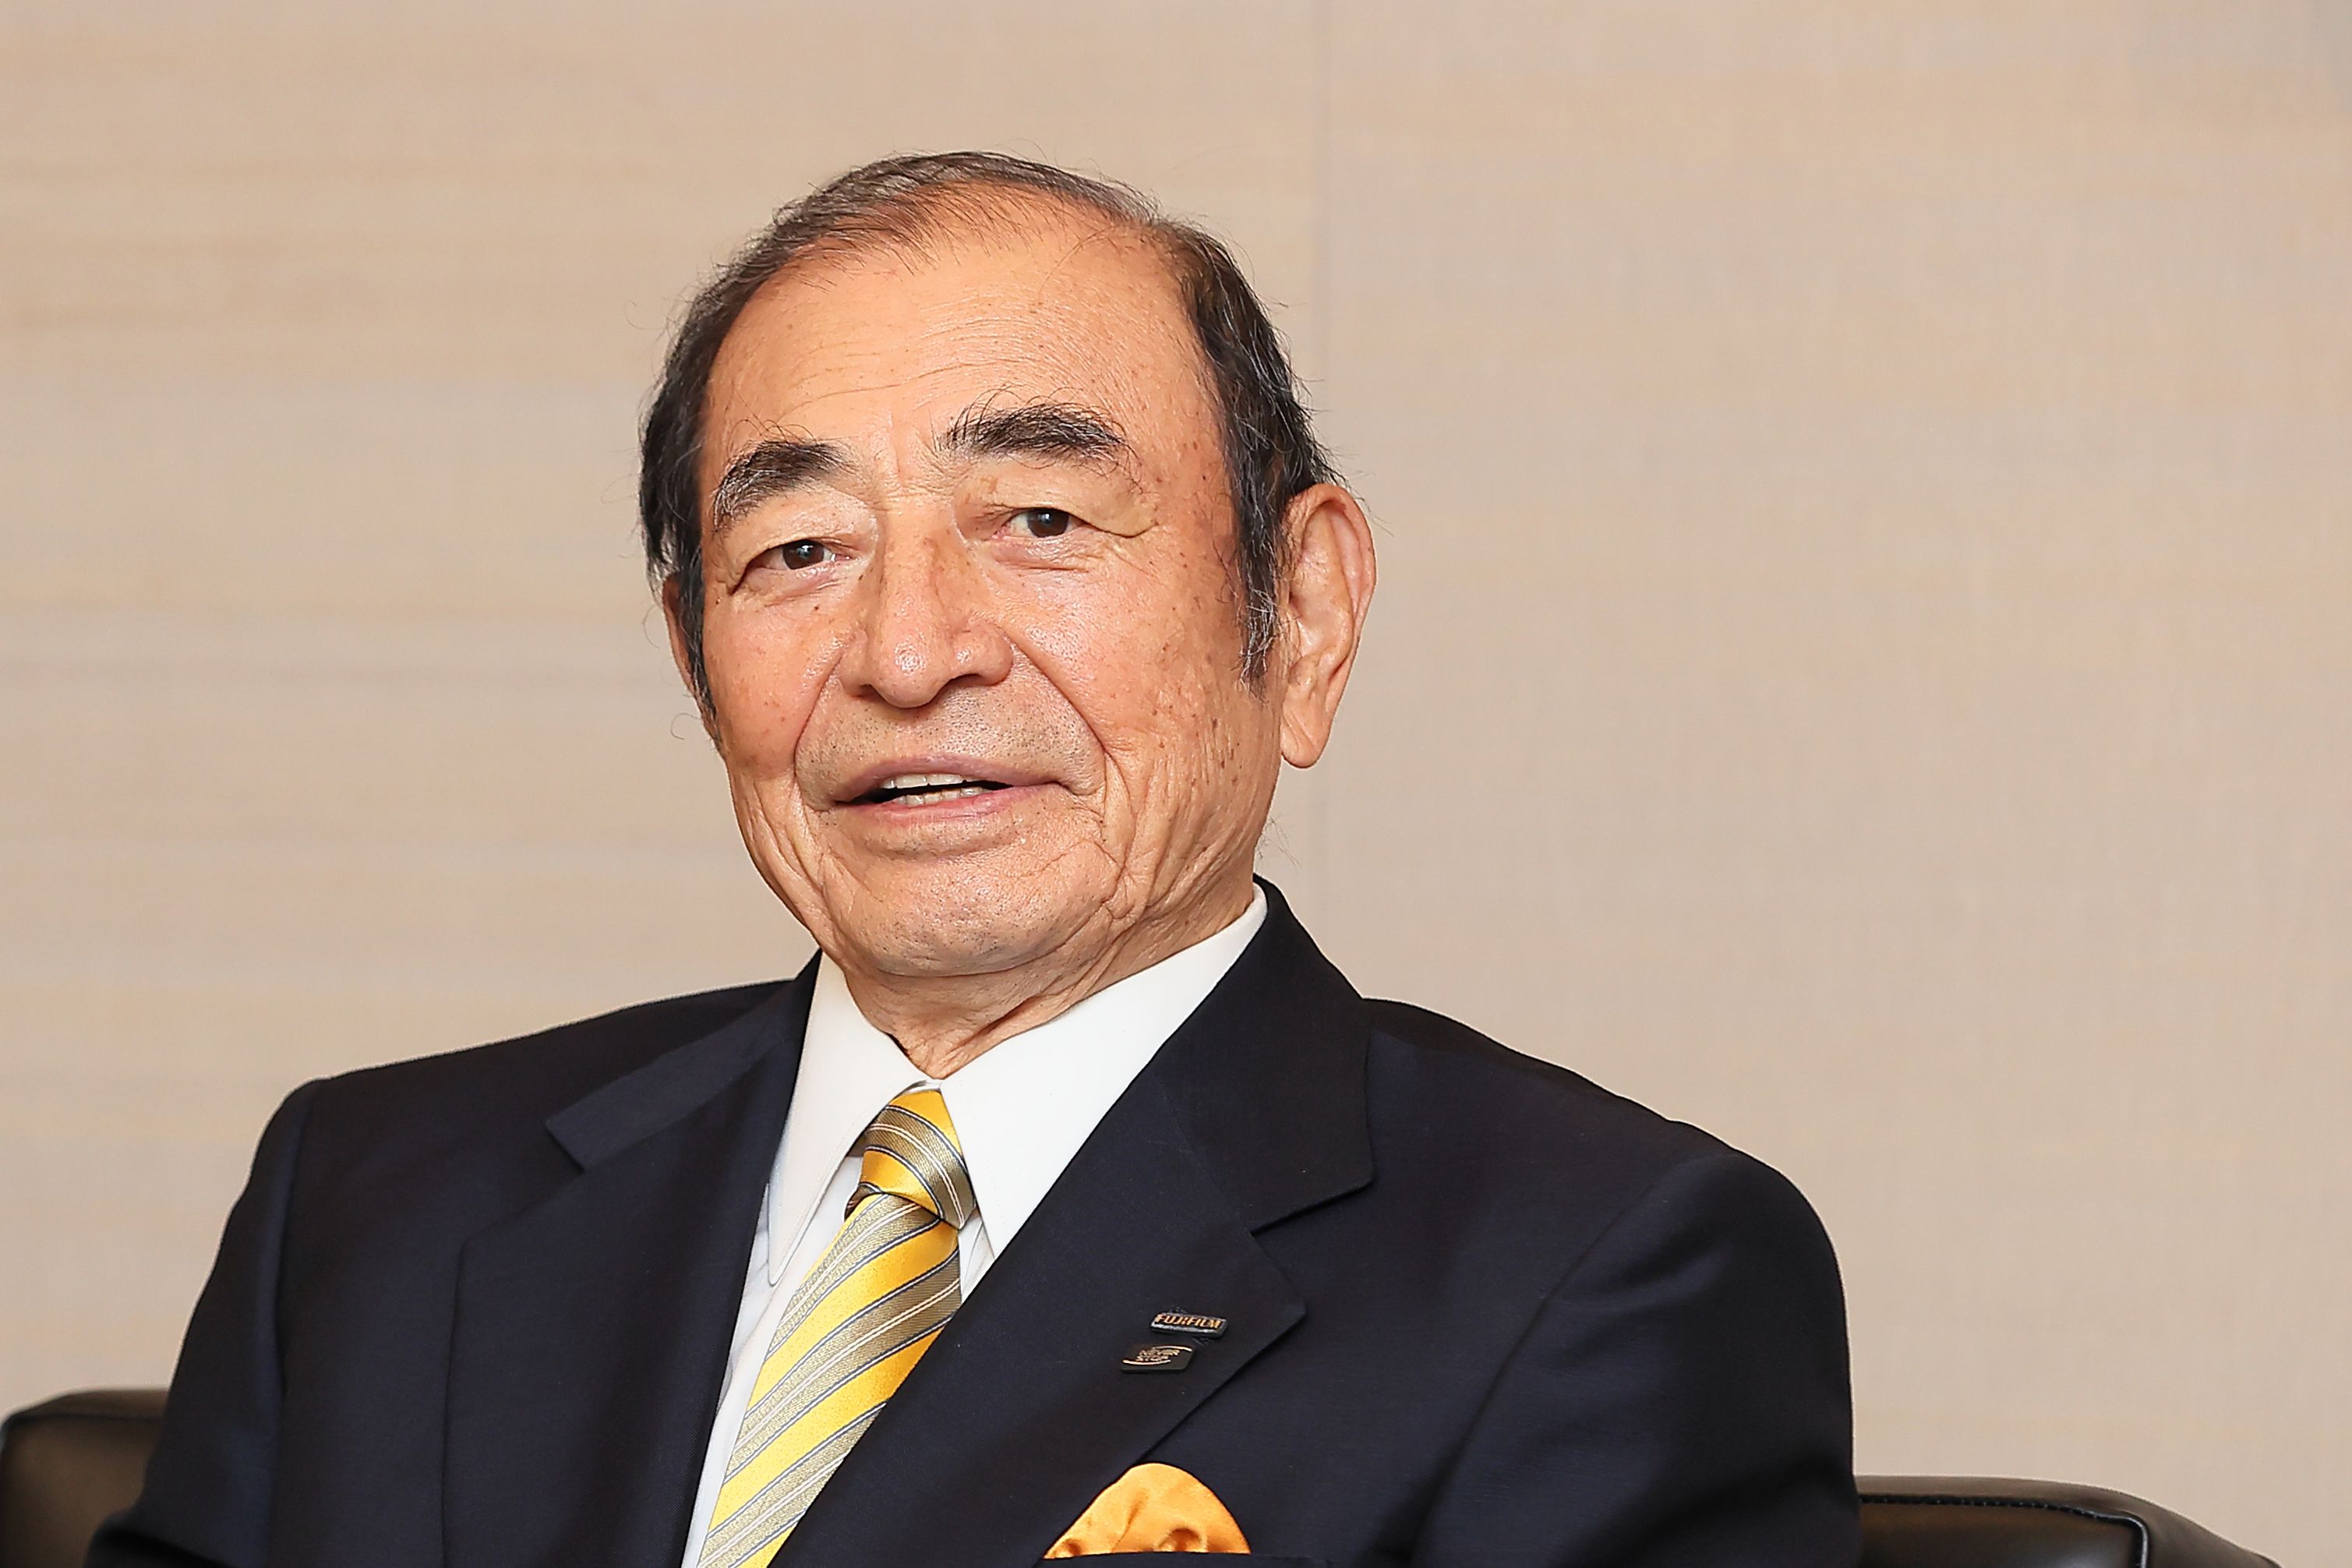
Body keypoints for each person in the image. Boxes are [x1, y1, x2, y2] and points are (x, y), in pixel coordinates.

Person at [92, 153, 1858, 1568]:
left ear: (1303, 612)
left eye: (1039, 519)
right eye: (798, 550)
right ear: (693, 654)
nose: (910, 650)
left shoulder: (1600, 1272)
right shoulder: (380, 1198)